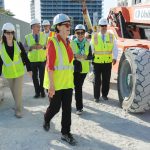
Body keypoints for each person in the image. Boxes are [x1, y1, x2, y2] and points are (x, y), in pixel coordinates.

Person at [43, 14, 77, 146]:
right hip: (55, 84)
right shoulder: (52, 42)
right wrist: (51, 86)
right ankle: (46, 119)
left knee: (67, 109)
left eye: (70, 25)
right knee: (55, 108)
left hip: (68, 83)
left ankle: (65, 133)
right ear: (58, 27)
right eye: (66, 25)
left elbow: (68, 63)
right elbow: (50, 66)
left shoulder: (69, 42)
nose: (69, 27)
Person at [0, 23, 32, 118]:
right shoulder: (0, 46)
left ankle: (18, 110)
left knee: (18, 92)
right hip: (8, 74)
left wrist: (29, 69)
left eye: (11, 33)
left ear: (13, 33)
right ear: (4, 33)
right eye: (7, 33)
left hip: (19, 73)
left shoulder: (18, 44)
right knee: (14, 92)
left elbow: (25, 57)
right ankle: (18, 105)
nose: (9, 35)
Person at [91, 18, 118, 102]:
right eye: (102, 26)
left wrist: (115, 57)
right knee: (97, 81)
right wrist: (91, 59)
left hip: (107, 62)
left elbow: (115, 47)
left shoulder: (111, 36)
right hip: (97, 62)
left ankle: (105, 95)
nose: (103, 27)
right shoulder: (94, 36)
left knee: (106, 80)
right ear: (99, 27)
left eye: (105, 26)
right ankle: (96, 97)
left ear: (107, 26)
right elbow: (91, 48)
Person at [70, 24, 92, 115]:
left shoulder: (87, 43)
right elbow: (68, 55)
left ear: (84, 33)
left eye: (82, 32)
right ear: (75, 33)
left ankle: (77, 105)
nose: (80, 34)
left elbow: (91, 56)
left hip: (84, 70)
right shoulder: (71, 43)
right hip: (74, 69)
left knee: (78, 87)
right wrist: (75, 56)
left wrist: (85, 57)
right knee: (77, 88)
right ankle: (79, 108)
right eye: (78, 33)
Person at [24, 19, 47, 98]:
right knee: (34, 77)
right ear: (33, 27)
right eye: (37, 26)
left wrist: (43, 46)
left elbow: (47, 46)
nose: (39, 28)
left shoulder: (44, 35)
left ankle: (42, 91)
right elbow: (25, 48)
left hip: (42, 60)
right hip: (32, 61)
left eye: (39, 26)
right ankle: (37, 93)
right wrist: (31, 47)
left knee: (42, 77)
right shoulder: (27, 37)